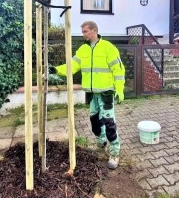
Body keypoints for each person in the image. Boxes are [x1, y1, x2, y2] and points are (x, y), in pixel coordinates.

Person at [52, 21, 125, 169]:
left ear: (94, 31)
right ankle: (101, 142)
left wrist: (120, 90)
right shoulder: (83, 50)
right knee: (94, 122)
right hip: (91, 93)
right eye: (83, 31)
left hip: (106, 93)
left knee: (109, 123)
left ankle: (115, 152)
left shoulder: (108, 48)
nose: (83, 34)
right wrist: (56, 70)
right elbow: (72, 66)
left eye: (85, 31)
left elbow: (118, 70)